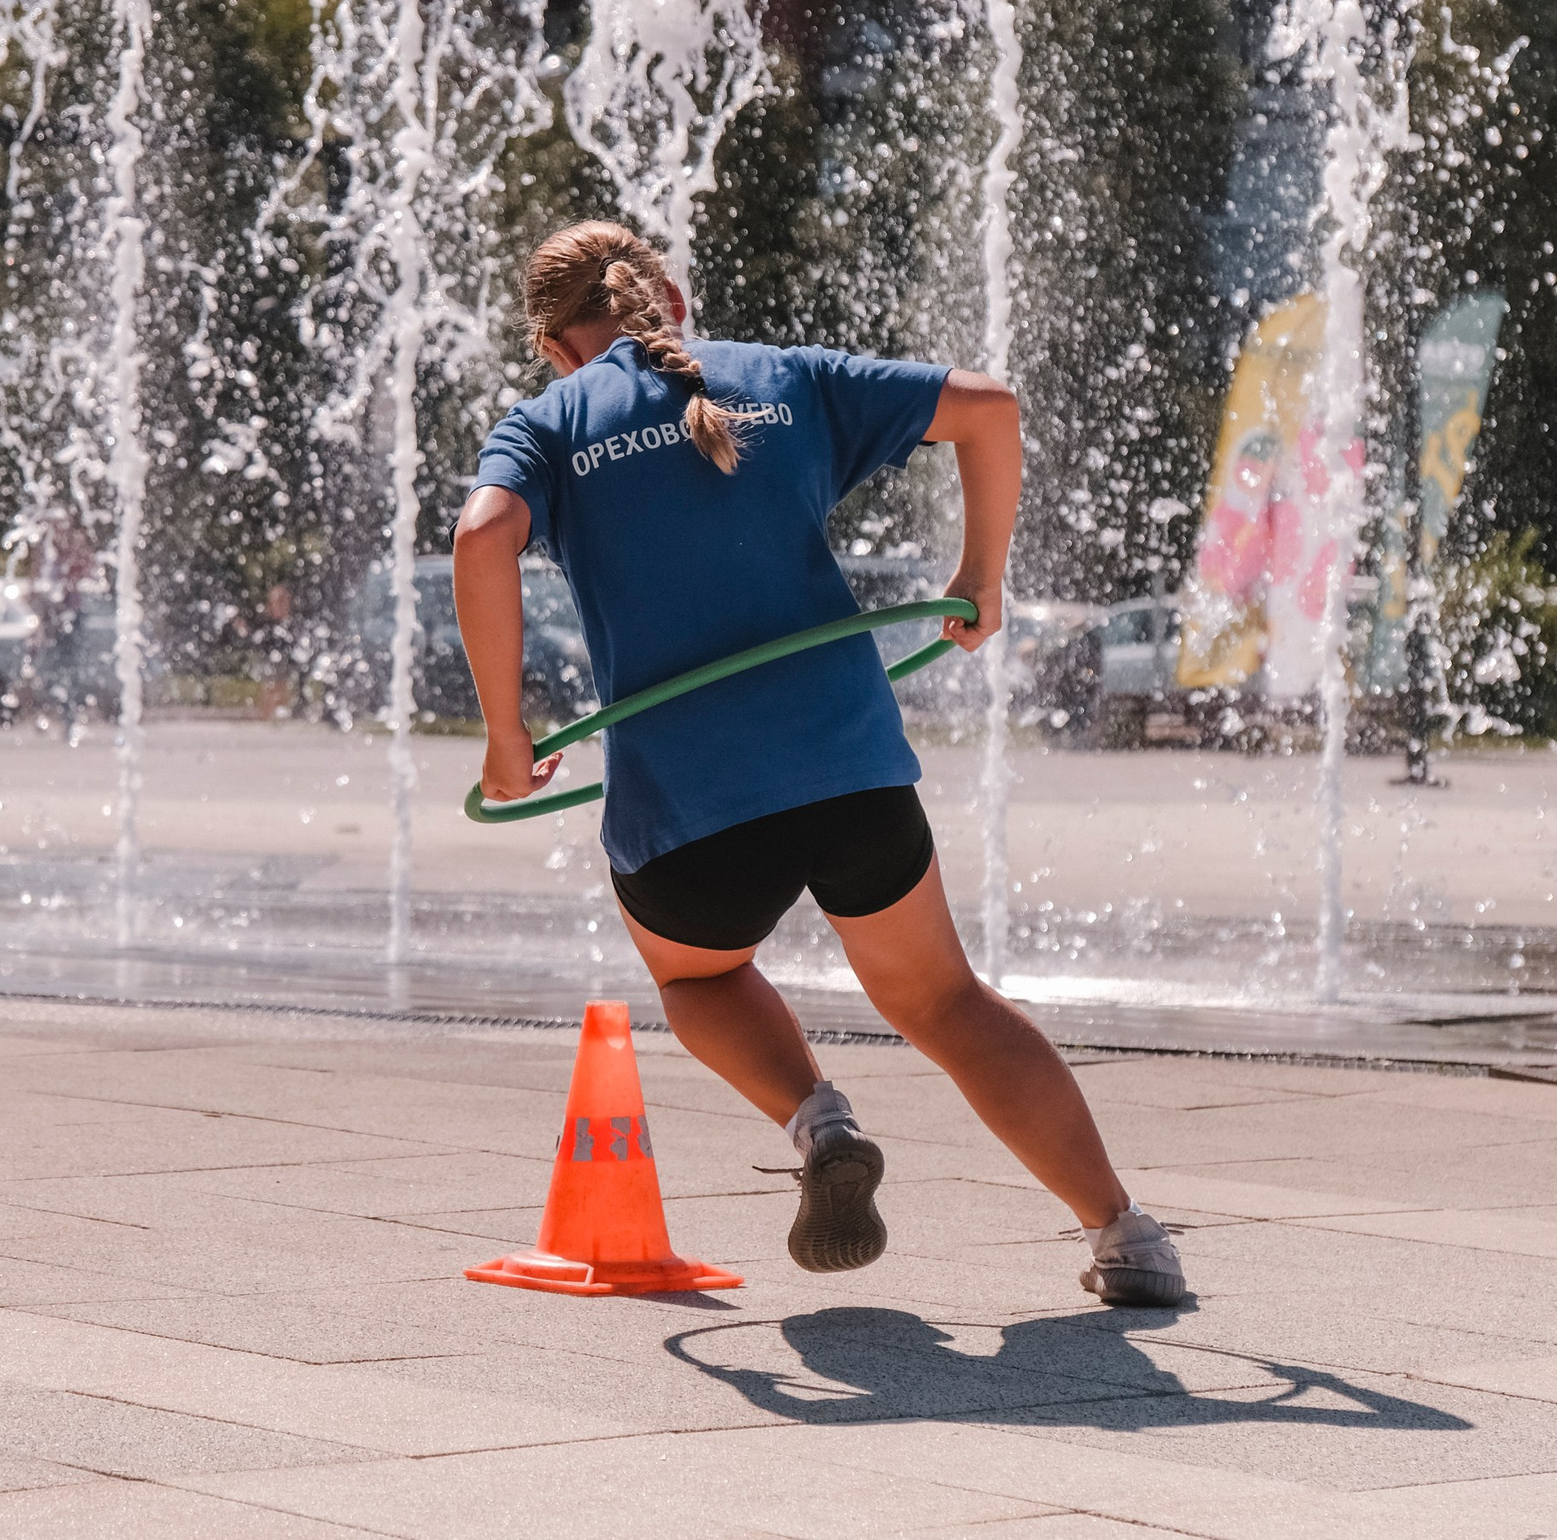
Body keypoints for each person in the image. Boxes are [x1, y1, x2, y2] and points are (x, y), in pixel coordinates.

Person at [452, 221, 1183, 1306]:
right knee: (941, 1000)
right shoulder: (785, 379)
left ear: (555, 347)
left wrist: (508, 736)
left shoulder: (550, 421)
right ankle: (1125, 1237)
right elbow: (987, 407)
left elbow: (480, 538)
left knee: (696, 976)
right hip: (844, 760)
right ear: (673, 299)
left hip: (685, 793)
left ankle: (817, 1119)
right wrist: (980, 575)